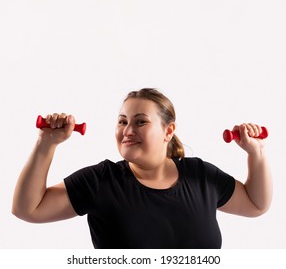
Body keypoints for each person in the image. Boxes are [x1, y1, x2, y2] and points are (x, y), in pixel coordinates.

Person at [12, 88, 272, 249]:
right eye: (122, 121)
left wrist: (256, 152)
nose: (127, 131)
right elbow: (28, 209)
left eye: (140, 122)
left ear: (168, 131)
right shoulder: (101, 181)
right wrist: (46, 143)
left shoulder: (201, 176)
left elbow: (256, 204)